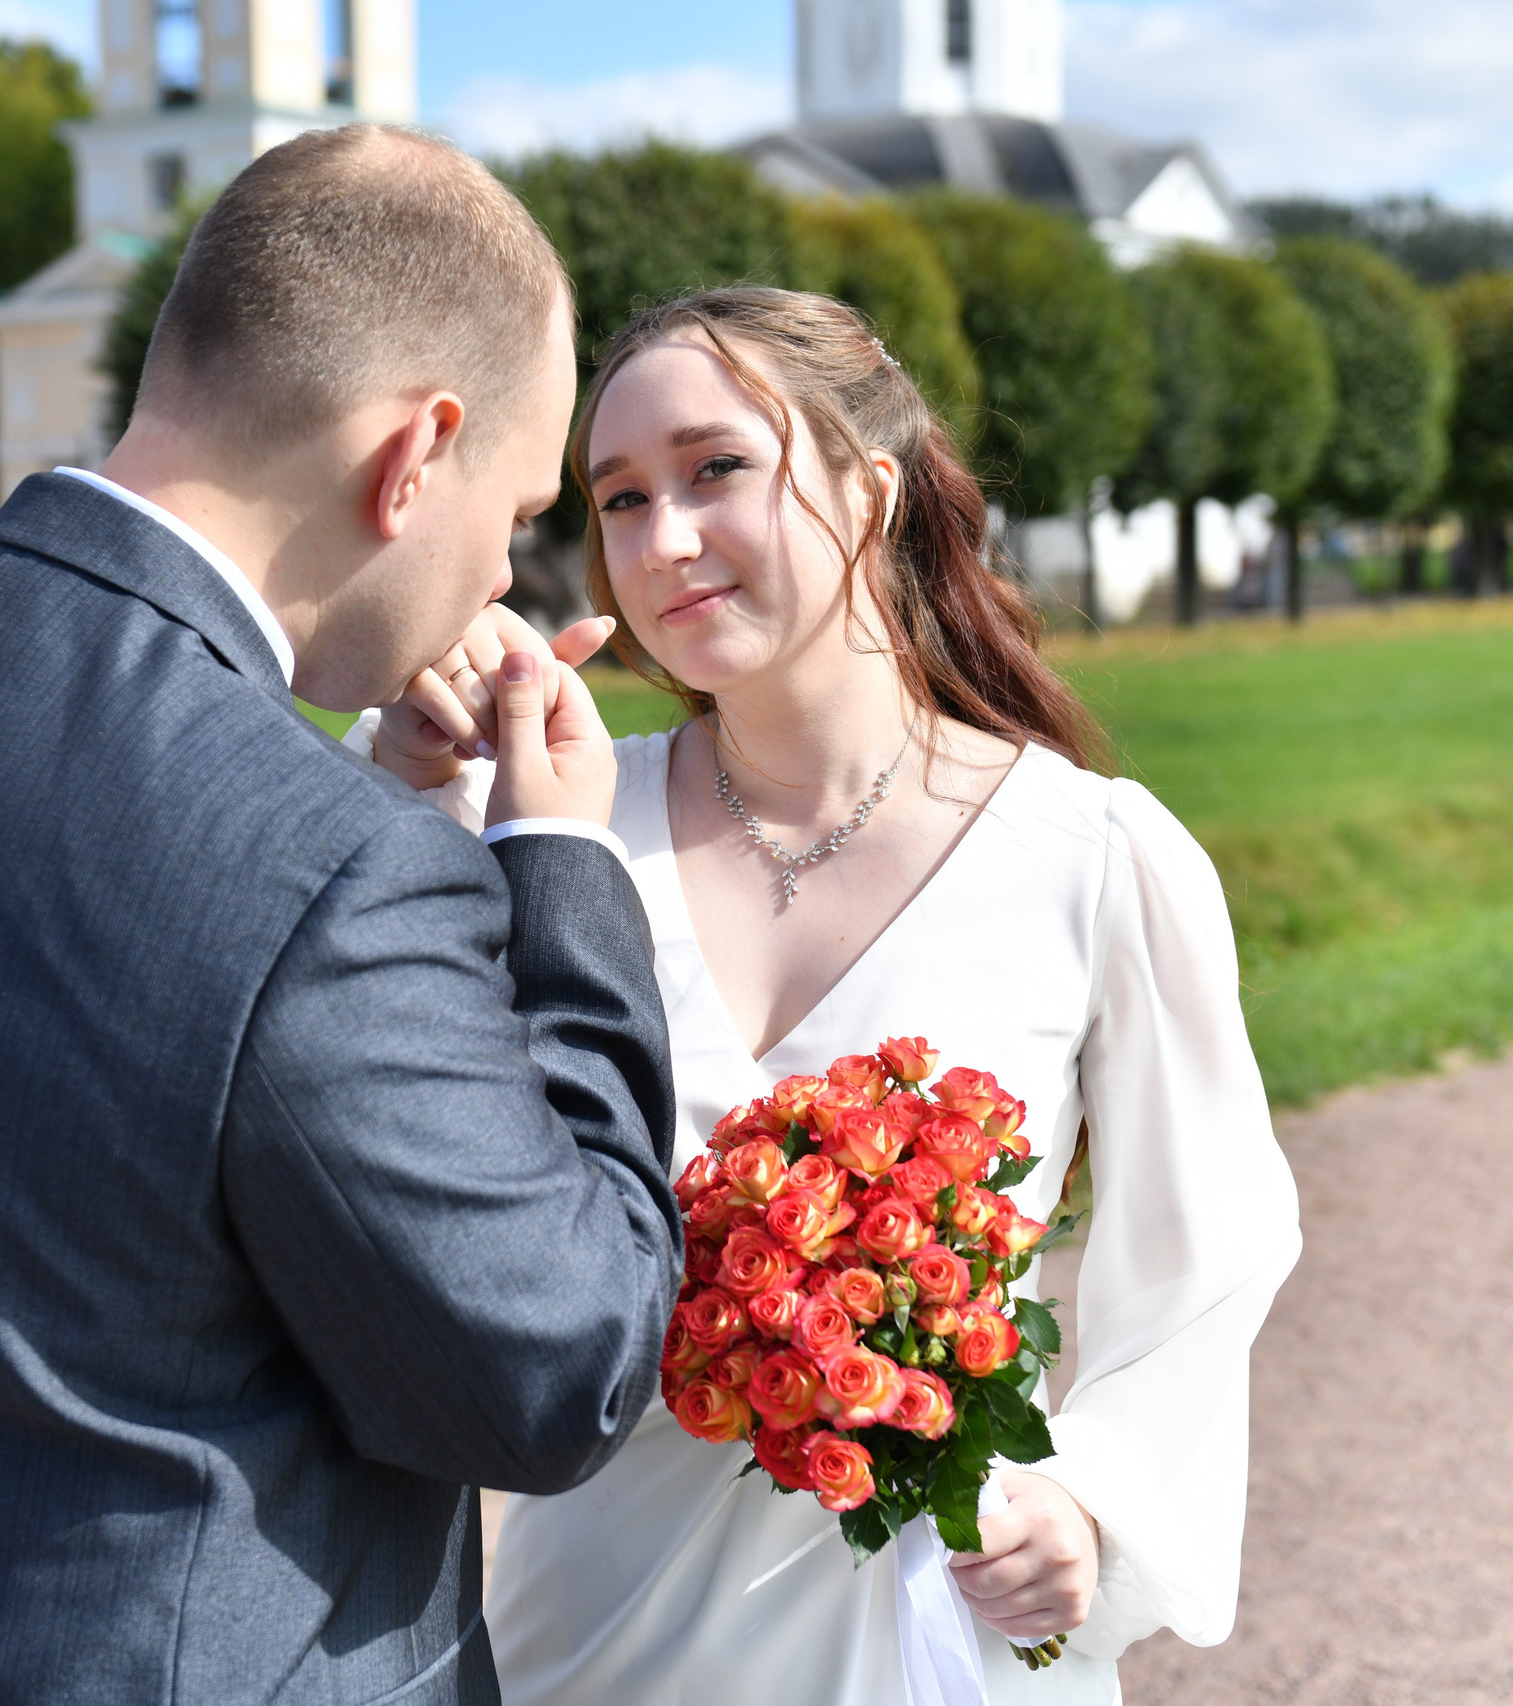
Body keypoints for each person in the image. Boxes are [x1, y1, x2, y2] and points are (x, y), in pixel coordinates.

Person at [0, 126, 686, 1705]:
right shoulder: (330, 871)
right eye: (516, 517)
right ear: (416, 454)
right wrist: (559, 861)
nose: (502, 581)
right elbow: (557, 1361)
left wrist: (367, 790)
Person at [358, 288, 1302, 1703]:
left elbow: (1206, 1253)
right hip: (599, 1634)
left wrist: (1089, 1499)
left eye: (715, 468)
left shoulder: (1094, 857)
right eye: (620, 499)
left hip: (939, 1639)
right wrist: (406, 783)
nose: (662, 541)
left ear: (871, 488)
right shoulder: (550, 829)